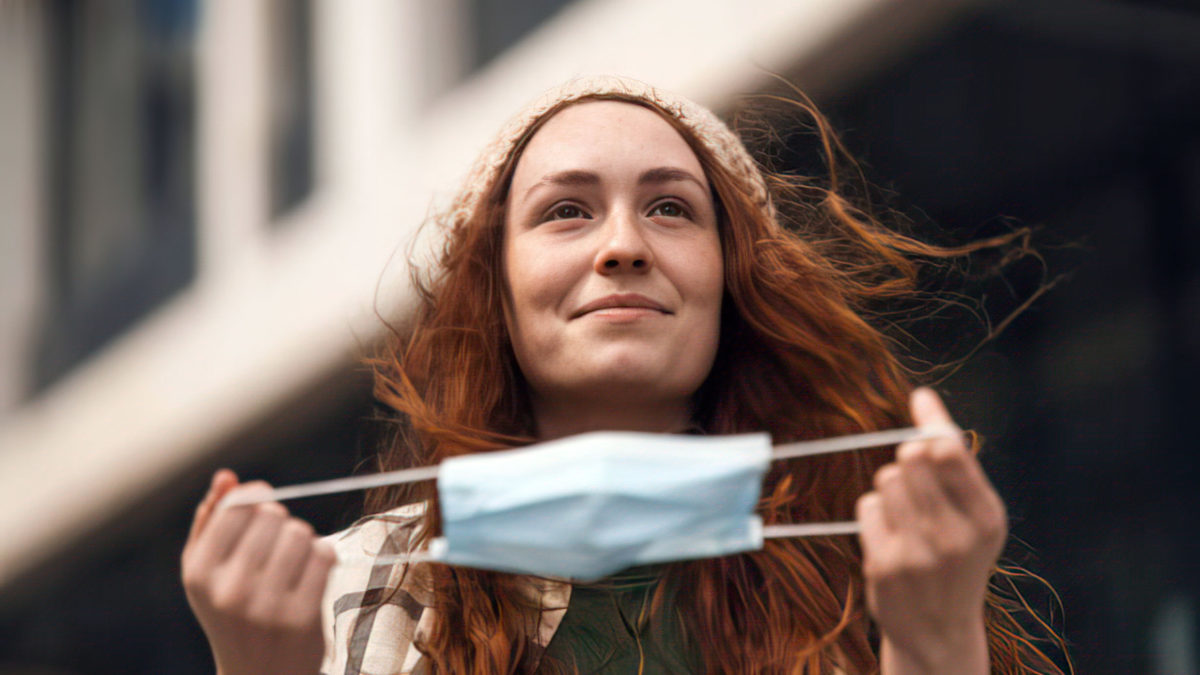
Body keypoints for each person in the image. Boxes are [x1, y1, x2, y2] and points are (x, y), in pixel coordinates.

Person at [181, 77, 1068, 674]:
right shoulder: (345, 591)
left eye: (671, 208)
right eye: (566, 211)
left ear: (731, 277)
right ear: (494, 289)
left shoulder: (874, 570)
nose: (622, 246)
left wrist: (937, 639)